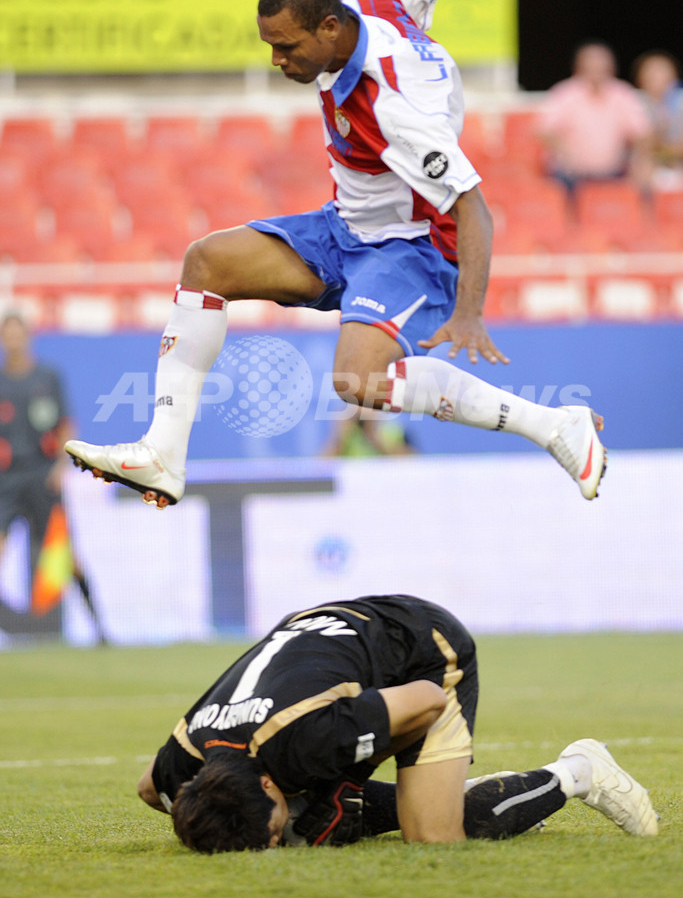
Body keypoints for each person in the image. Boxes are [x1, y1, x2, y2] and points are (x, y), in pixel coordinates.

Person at [65, 0, 607, 504]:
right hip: (346, 226)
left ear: (328, 29)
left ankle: (555, 425)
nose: (277, 61)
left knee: (359, 382)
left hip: (410, 245)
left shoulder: (395, 107)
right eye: (271, 46)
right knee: (207, 262)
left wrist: (469, 314)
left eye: (286, 47)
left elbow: (472, 207)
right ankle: (161, 455)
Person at [136, 594, 658, 851]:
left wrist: (346, 781)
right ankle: (447, 788)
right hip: (327, 634)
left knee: (433, 834)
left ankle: (579, 770)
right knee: (312, 818)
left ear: (269, 783)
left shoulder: (312, 739)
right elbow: (147, 789)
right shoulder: (182, 764)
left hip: (420, 652)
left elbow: (427, 701)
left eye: (267, 834)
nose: (273, 845)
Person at [0, 311, 105, 641]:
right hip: (7, 479)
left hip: (43, 476)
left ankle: (100, 629)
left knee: (66, 555)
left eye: (18, 333)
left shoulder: (47, 377)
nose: (13, 339)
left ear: (28, 336)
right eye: (8, 334)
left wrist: (61, 467)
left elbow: (66, 426)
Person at [537, 41, 652, 198]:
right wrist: (563, 150)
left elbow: (642, 133)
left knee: (644, 183)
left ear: (611, 68)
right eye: (590, 65)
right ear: (579, 67)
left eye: (600, 65)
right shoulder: (565, 93)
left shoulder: (622, 93)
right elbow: (544, 130)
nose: (596, 69)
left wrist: (641, 159)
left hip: (615, 174)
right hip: (571, 176)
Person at [632, 49, 683, 189]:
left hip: (677, 165)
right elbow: (642, 145)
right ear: (640, 77)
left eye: (662, 71)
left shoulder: (680, 100)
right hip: (644, 168)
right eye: (651, 72)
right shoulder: (633, 100)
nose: (658, 77)